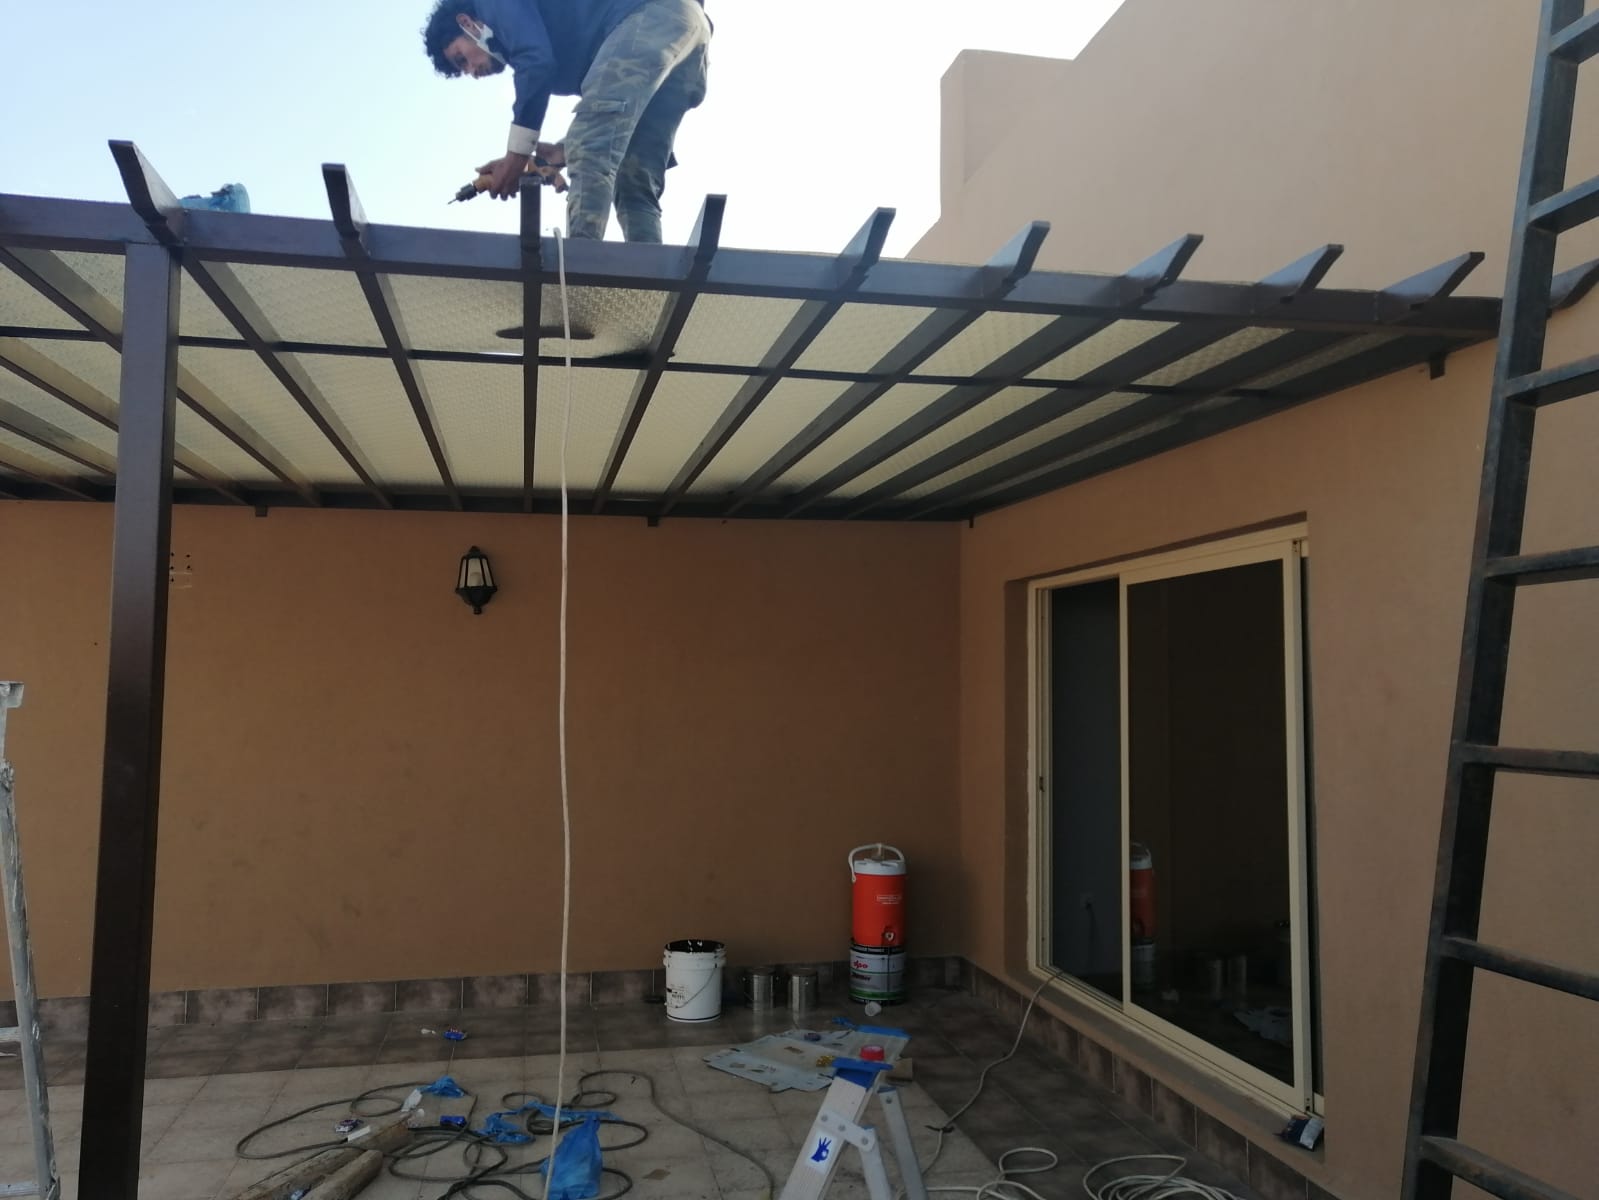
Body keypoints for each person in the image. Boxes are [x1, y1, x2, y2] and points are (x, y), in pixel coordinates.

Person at [423, 0, 711, 243]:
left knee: (590, 150)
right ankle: (650, 283)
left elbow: (536, 63)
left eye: (461, 59)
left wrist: (516, 157)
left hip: (647, 14)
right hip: (687, 31)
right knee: (633, 183)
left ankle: (577, 278)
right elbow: (611, 113)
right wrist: (563, 150)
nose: (472, 71)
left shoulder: (491, 5)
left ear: (466, 23)